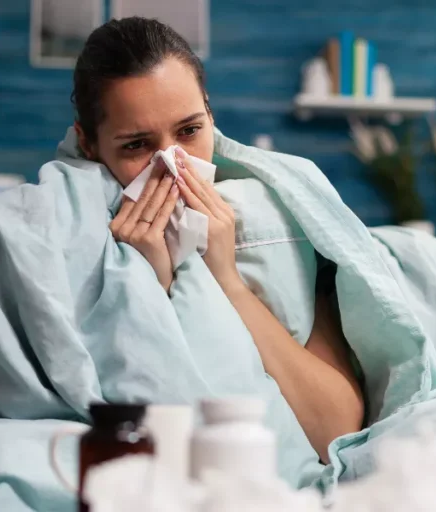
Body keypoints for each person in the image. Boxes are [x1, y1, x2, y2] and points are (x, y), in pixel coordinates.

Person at [71, 17, 363, 463]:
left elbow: (335, 431)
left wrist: (227, 279)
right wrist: (147, 286)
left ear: (209, 114)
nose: (173, 164)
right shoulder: (65, 232)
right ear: (88, 144)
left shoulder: (273, 218)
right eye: (136, 145)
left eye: (189, 131)